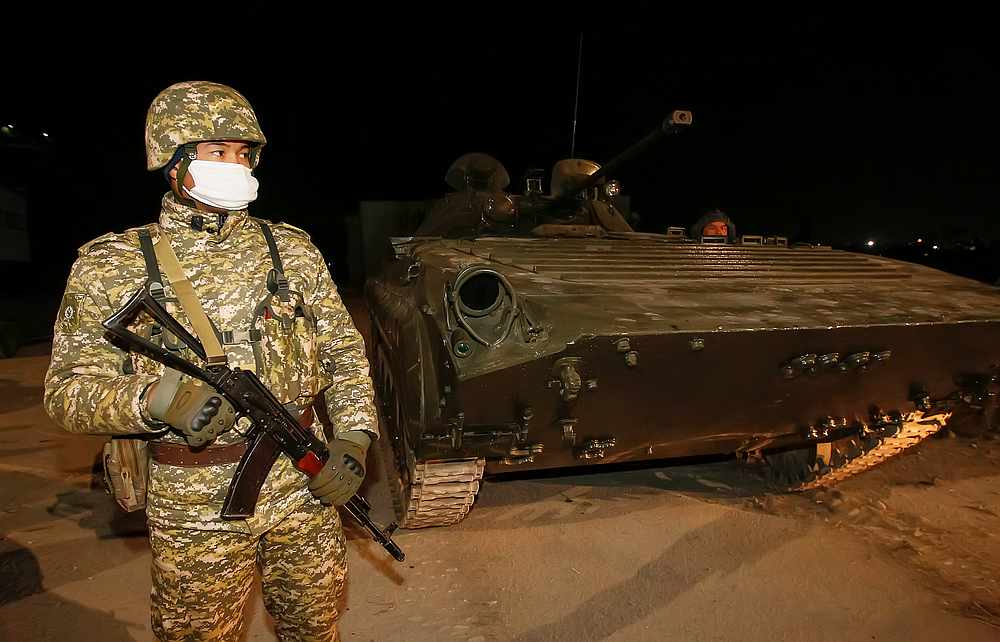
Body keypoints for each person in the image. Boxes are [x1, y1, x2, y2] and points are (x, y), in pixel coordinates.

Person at [42, 80, 378, 642]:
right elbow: (66, 392)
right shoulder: (114, 264)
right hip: (193, 498)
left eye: (244, 153)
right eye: (217, 152)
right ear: (173, 160)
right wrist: (152, 401)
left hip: (302, 478)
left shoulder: (290, 248)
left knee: (315, 624)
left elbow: (343, 351)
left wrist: (355, 438)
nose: (236, 164)